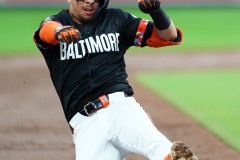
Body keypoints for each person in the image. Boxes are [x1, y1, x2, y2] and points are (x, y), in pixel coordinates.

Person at [33, 0, 198, 159]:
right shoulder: (56, 23)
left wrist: (156, 12)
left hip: (121, 109)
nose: (90, 1)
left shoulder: (116, 19)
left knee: (163, 150)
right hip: (85, 124)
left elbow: (169, 35)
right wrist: (57, 32)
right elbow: (44, 32)